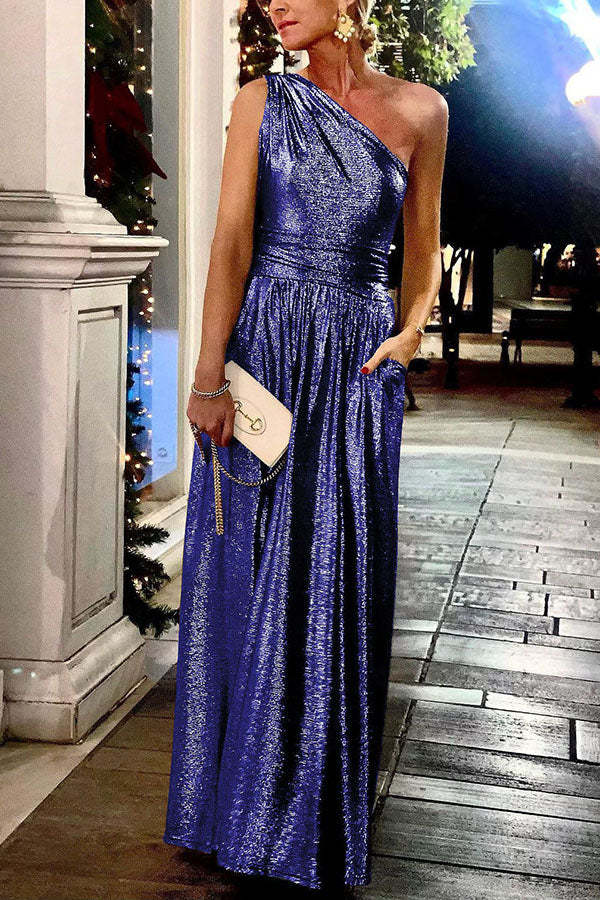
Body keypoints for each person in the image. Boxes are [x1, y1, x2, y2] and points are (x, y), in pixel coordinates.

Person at [163, 0, 448, 892]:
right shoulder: (261, 100)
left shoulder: (423, 111)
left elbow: (423, 246)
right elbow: (231, 241)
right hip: (268, 356)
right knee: (248, 574)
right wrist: (208, 375)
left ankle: (306, 820)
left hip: (357, 367)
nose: (274, 4)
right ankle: (233, 812)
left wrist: (409, 335)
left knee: (336, 580)